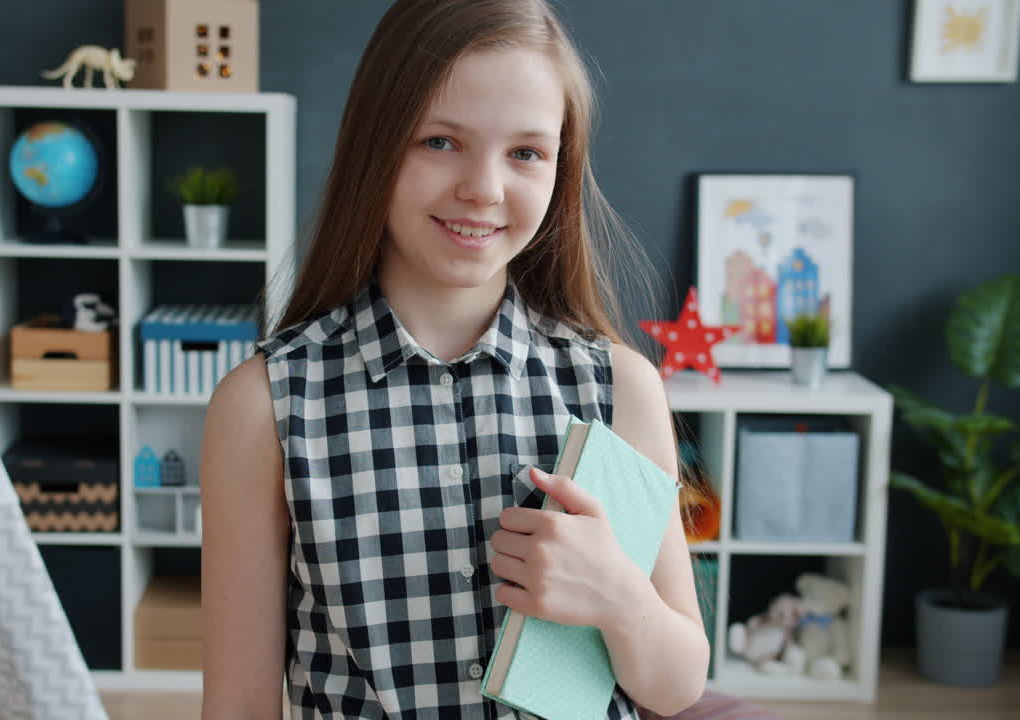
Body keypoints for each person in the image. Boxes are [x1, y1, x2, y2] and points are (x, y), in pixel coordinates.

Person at [200, 1, 709, 717]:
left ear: (561, 168)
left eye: (526, 152)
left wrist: (619, 599)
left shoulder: (621, 388)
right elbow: (238, 705)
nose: (484, 188)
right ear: (375, 145)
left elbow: (680, 682)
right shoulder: (264, 405)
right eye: (440, 141)